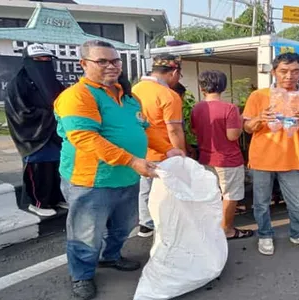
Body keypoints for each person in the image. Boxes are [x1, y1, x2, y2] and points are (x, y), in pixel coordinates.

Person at [54, 40, 183, 300]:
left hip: (126, 176)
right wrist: (133, 161)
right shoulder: (77, 96)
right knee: (86, 233)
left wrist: (168, 148)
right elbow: (85, 138)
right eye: (102, 61)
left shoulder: (127, 95)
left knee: (124, 226)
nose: (111, 66)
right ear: (84, 64)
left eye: (115, 61)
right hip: (91, 180)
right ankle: (82, 275)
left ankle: (110, 257)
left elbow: (143, 128)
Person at [242, 52, 299, 255]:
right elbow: (247, 128)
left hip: (292, 158)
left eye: (295, 71)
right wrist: (260, 118)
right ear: (274, 72)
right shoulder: (258, 96)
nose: (289, 76)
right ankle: (265, 235)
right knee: (261, 203)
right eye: (284, 71)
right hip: (262, 159)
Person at [191, 70, 254, 240]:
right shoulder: (230, 108)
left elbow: (195, 131)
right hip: (228, 160)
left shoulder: (197, 108)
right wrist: (240, 121)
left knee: (212, 194)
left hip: (205, 158)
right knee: (230, 195)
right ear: (223, 87)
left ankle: (211, 227)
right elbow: (232, 136)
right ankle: (227, 230)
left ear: (202, 87)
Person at [5, 43, 67, 217]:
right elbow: (20, 113)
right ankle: (37, 202)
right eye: (39, 59)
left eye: (47, 59)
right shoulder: (17, 84)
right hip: (34, 135)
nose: (44, 62)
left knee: (58, 168)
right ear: (28, 61)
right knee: (40, 169)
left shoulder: (54, 82)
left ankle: (57, 198)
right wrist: (50, 114)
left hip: (55, 134)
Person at [132, 54, 186, 238]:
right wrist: (181, 155)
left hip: (139, 150)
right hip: (164, 152)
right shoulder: (169, 95)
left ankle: (145, 223)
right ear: (175, 72)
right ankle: (165, 225)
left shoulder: (135, 89)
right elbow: (174, 130)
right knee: (166, 191)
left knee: (145, 188)